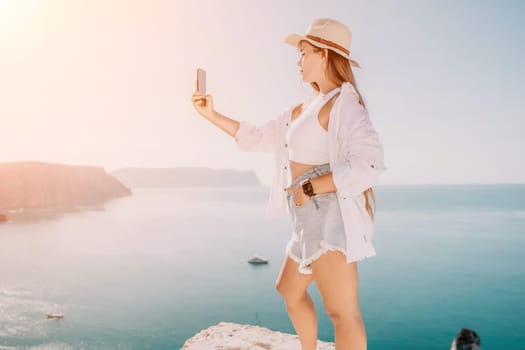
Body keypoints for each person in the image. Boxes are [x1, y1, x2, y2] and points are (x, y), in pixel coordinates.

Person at [191, 18, 386, 350]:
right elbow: (258, 137)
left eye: (304, 53)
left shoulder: (344, 104)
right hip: (304, 217)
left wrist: (309, 187)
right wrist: (212, 114)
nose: (298, 61)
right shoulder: (302, 108)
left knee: (343, 313)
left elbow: (369, 165)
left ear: (325, 55)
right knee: (289, 289)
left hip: (327, 213)